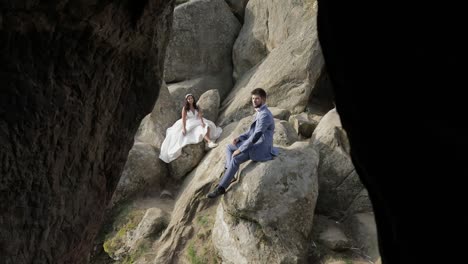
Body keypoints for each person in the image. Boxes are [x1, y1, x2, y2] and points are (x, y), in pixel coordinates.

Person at [207, 88, 278, 198]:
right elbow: (251, 131)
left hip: (260, 147)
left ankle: (221, 188)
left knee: (235, 158)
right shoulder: (259, 112)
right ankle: (230, 174)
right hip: (255, 143)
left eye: (257, 99)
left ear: (263, 99)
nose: (254, 101)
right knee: (229, 147)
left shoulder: (264, 115)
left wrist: (240, 149)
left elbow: (256, 135)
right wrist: (240, 138)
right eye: (253, 98)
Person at [159, 93, 222, 163]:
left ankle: (208, 142)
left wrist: (202, 122)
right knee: (200, 130)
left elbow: (200, 115)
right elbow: (183, 119)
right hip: (189, 122)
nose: (190, 100)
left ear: (193, 99)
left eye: (191, 98)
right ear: (187, 100)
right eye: (189, 99)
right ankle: (209, 142)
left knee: (207, 125)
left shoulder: (196, 106)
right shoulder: (185, 108)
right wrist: (184, 128)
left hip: (197, 120)